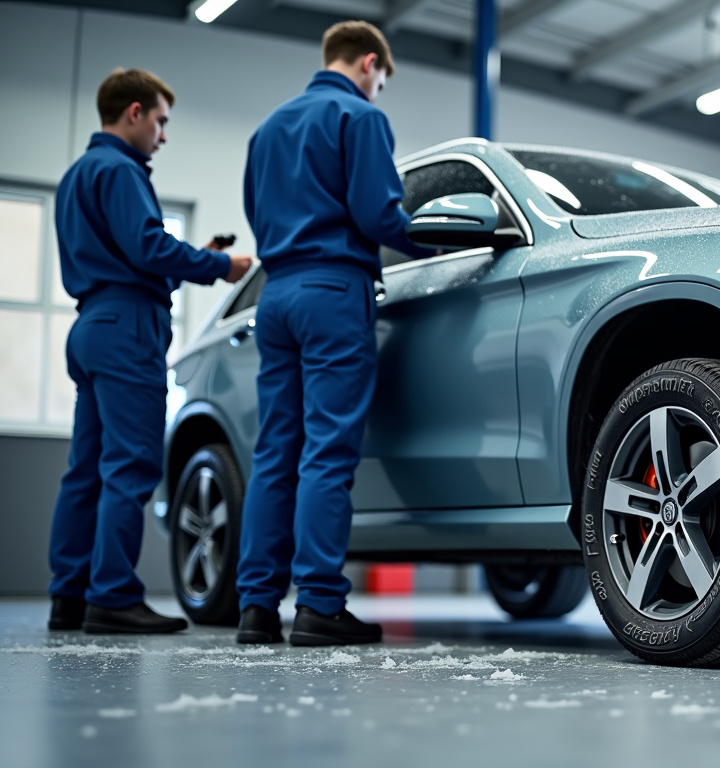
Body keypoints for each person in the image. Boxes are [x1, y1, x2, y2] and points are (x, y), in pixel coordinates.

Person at [236, 20, 433, 646]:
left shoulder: (268, 129)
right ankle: (319, 605)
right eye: (380, 79)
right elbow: (379, 213)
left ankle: (256, 609)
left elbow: (255, 211)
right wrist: (425, 238)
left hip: (277, 294)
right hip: (331, 293)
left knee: (275, 454)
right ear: (369, 63)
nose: (379, 90)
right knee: (326, 452)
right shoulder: (360, 118)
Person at [48, 68, 252, 634]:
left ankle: (69, 596)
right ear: (133, 112)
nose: (163, 135)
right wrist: (218, 265)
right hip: (127, 330)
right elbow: (146, 246)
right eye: (160, 121)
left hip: (92, 323)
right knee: (132, 464)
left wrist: (187, 257)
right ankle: (112, 596)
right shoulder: (120, 169)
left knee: (84, 470)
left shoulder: (76, 177)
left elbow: (132, 258)